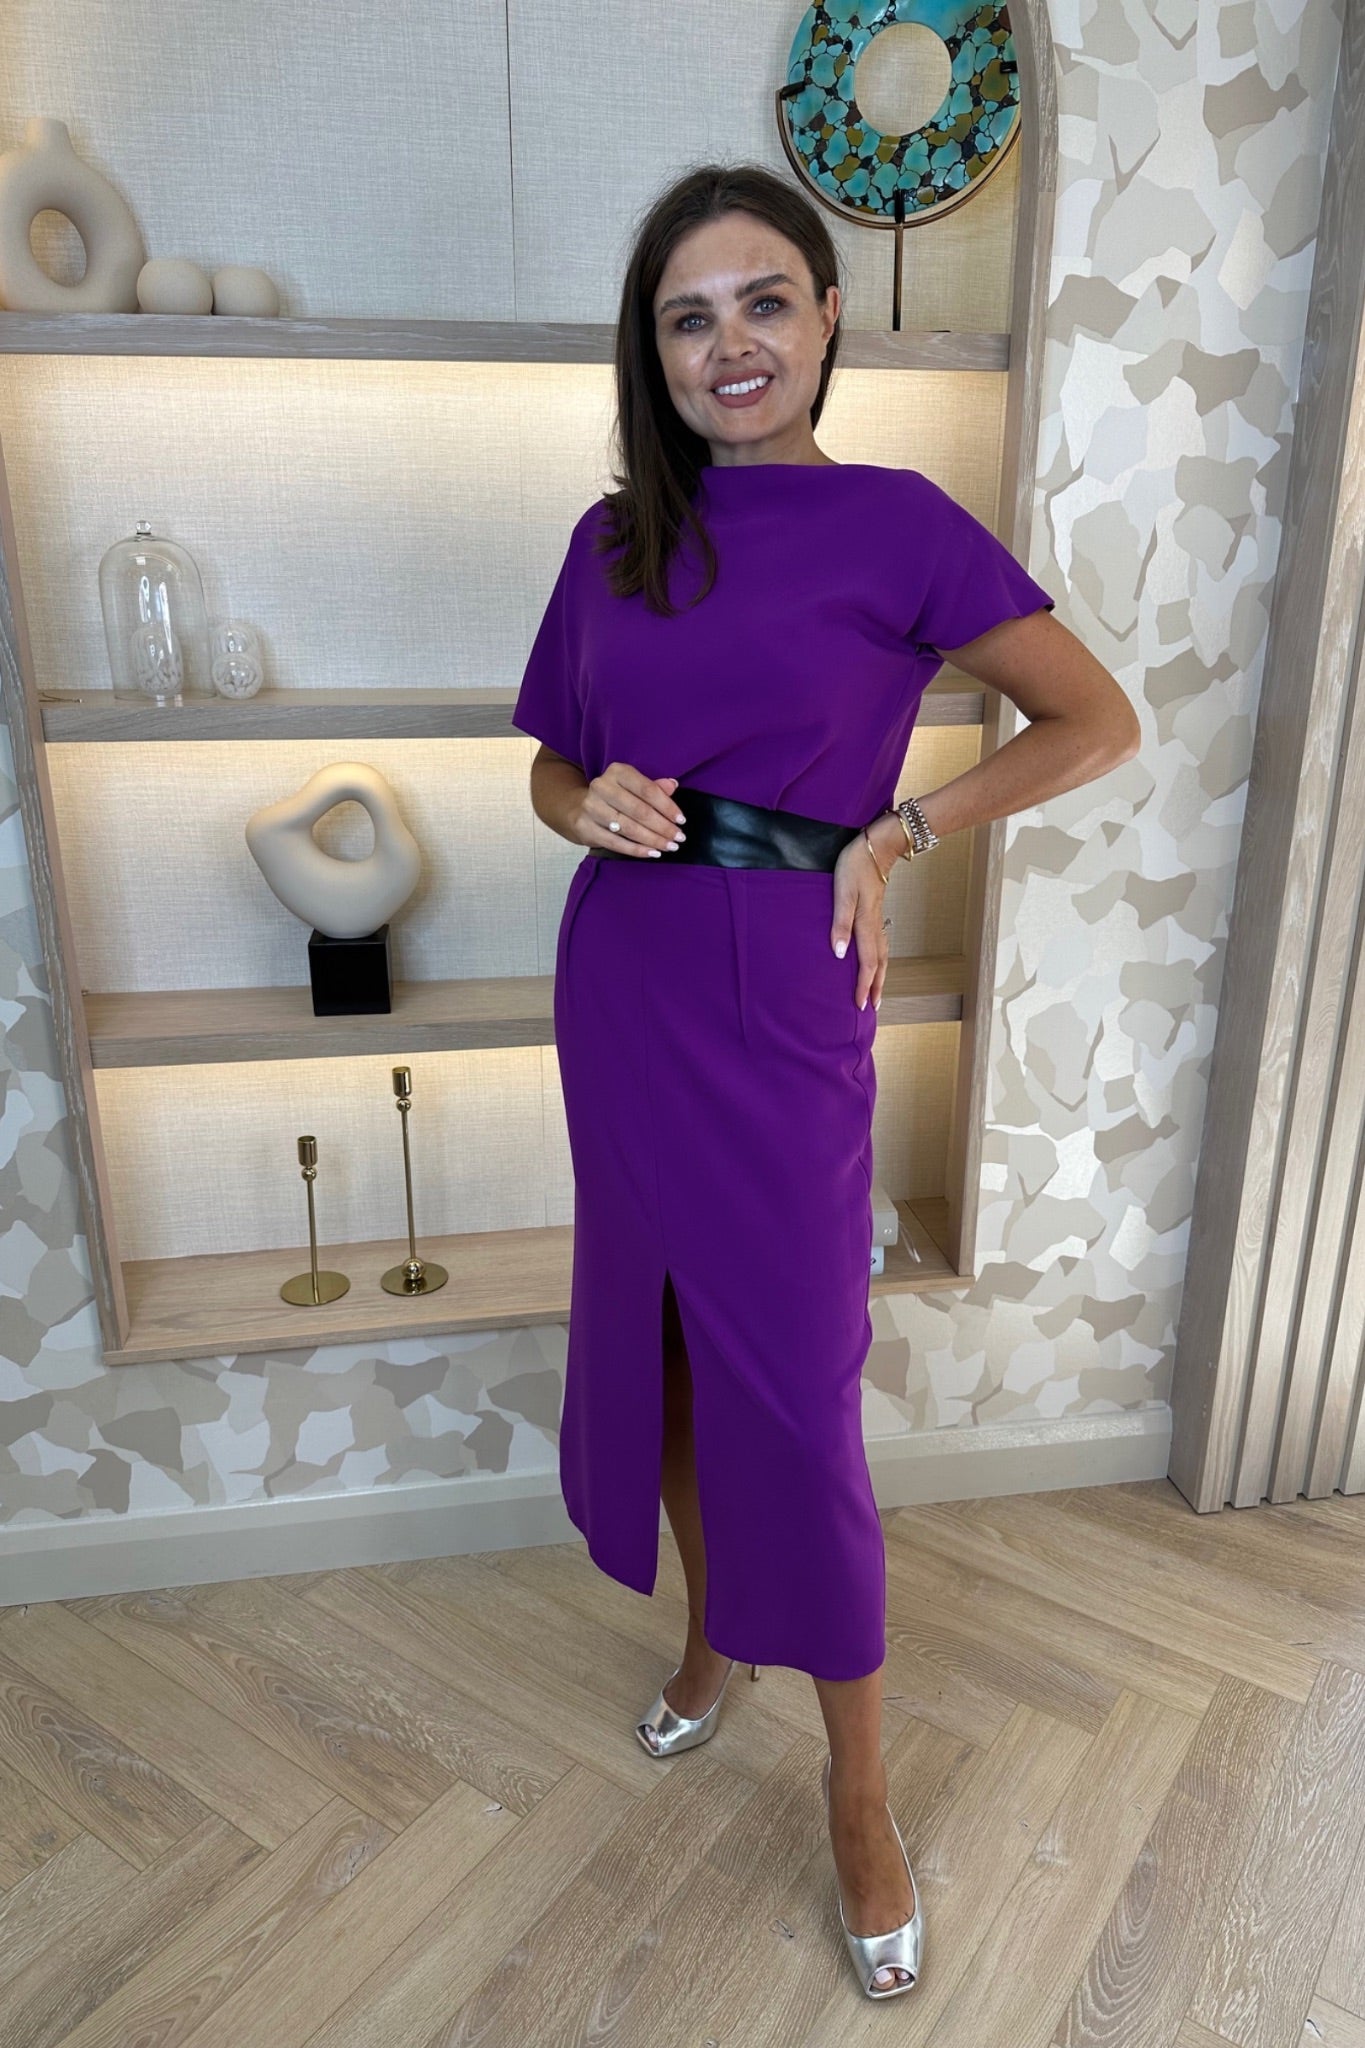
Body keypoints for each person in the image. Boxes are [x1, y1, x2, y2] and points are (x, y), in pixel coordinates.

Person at [512, 162, 1139, 1999]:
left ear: (827, 317)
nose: (730, 344)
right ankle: (714, 1639)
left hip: (786, 987)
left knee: (795, 1392)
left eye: (763, 301)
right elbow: (548, 763)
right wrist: (583, 802)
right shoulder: (609, 541)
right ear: (651, 350)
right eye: (688, 316)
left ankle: (857, 1794)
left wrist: (901, 830)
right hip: (620, 977)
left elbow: (1092, 718)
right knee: (658, 1339)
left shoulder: (897, 523)